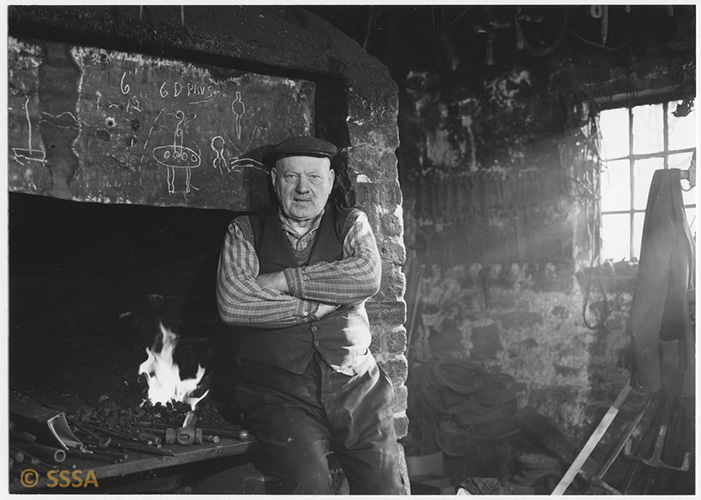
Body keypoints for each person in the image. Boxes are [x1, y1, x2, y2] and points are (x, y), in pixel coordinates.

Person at [216, 136, 406, 494]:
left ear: (331, 181)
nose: (303, 188)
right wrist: (313, 306)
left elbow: (366, 276)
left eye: (315, 178)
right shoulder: (244, 231)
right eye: (291, 178)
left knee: (385, 489)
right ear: (274, 180)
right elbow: (234, 301)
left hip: (356, 386)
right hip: (280, 393)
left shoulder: (351, 223)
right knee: (310, 486)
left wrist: (282, 281)